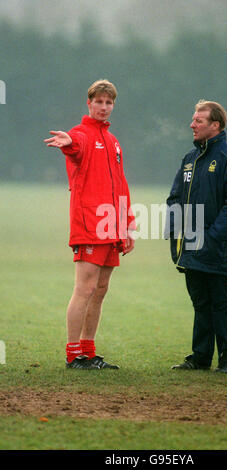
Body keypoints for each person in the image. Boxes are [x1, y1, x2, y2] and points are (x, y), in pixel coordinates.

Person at [44, 79, 135, 369]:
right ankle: (73, 355)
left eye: (109, 103)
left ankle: (88, 350)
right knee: (84, 289)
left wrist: (127, 225)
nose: (104, 107)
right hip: (89, 224)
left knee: (101, 289)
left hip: (111, 226)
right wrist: (69, 144)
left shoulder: (113, 140)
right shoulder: (80, 134)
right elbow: (75, 146)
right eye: (99, 102)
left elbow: (121, 185)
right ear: (89, 103)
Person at [165, 100, 227, 373]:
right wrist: (172, 230)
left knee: (221, 302)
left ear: (215, 125)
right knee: (200, 302)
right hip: (191, 245)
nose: (192, 124)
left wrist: (214, 236)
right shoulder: (189, 159)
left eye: (198, 121)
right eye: (193, 120)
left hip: (218, 248)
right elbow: (175, 197)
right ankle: (200, 357)